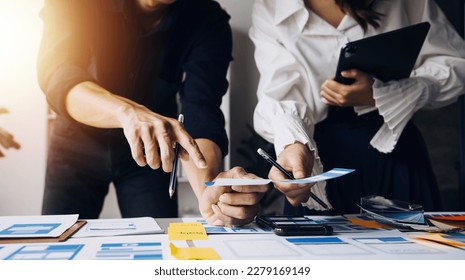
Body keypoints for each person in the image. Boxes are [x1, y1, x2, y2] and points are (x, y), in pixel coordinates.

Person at [37, 0, 268, 226]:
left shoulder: (208, 19)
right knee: (56, 244)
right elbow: (58, 75)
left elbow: (202, 112)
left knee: (159, 246)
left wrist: (209, 189)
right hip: (75, 145)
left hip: (153, 154)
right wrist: (128, 113)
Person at [250, 0, 465, 215]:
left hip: (394, 151)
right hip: (317, 162)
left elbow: (455, 65)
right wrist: (293, 144)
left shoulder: (408, 3)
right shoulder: (272, 7)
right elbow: (280, 91)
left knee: (417, 246)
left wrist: (386, 94)